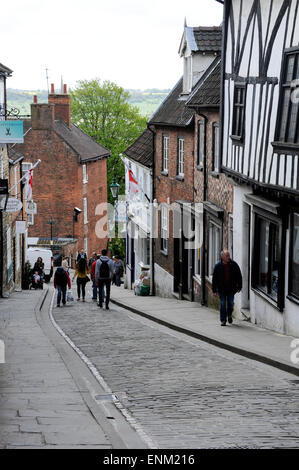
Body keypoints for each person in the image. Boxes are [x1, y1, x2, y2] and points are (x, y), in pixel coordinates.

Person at [212, 250, 242, 326]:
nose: (229, 257)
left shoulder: (233, 264)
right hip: (221, 289)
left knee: (231, 303)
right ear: (222, 257)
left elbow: (239, 276)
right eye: (227, 256)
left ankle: (229, 315)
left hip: (231, 289)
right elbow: (214, 278)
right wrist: (214, 290)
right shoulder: (218, 266)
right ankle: (223, 320)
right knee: (222, 304)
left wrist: (239, 286)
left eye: (229, 255)